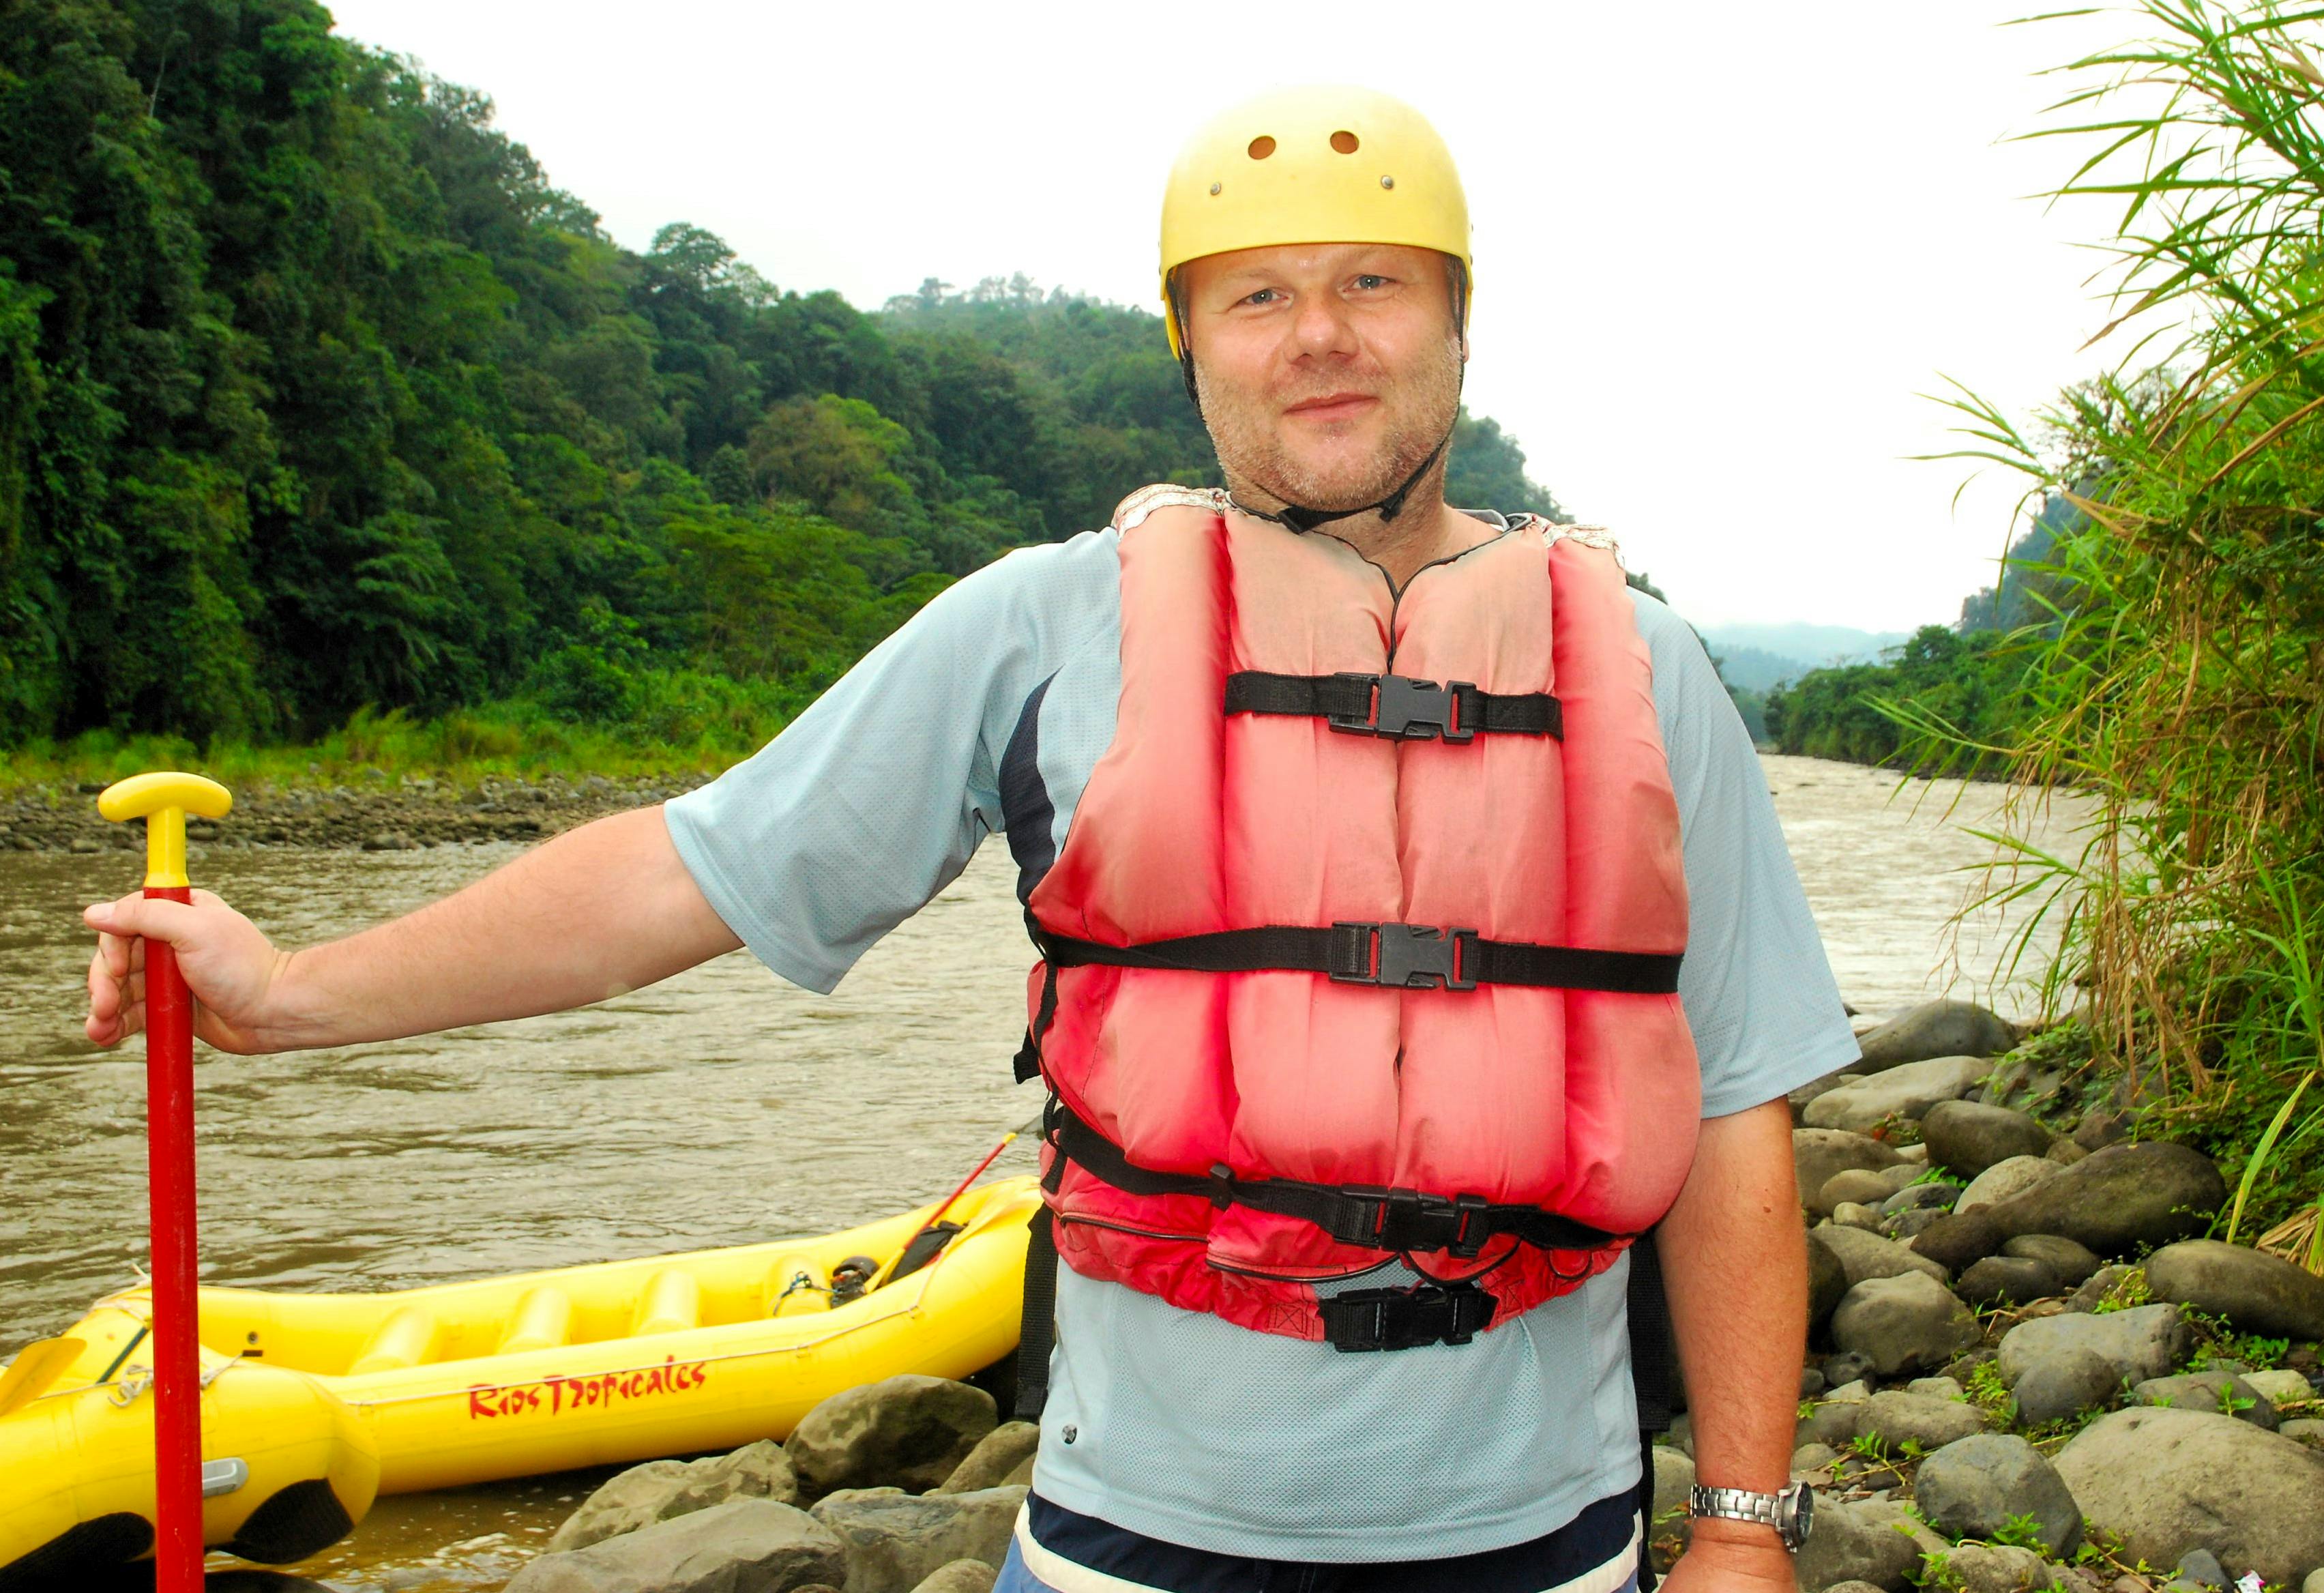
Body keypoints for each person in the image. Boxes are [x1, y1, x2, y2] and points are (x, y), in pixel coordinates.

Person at [84, 85, 1855, 1593]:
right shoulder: (1044, 629)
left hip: (1551, 1544)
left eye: (1373, 284)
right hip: (1129, 1545)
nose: (1318, 335)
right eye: (1255, 298)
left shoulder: (1642, 669)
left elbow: (1734, 1115)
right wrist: (290, 990)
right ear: (1189, 349)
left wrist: (1750, 1526)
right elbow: (679, 873)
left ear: (1460, 324)